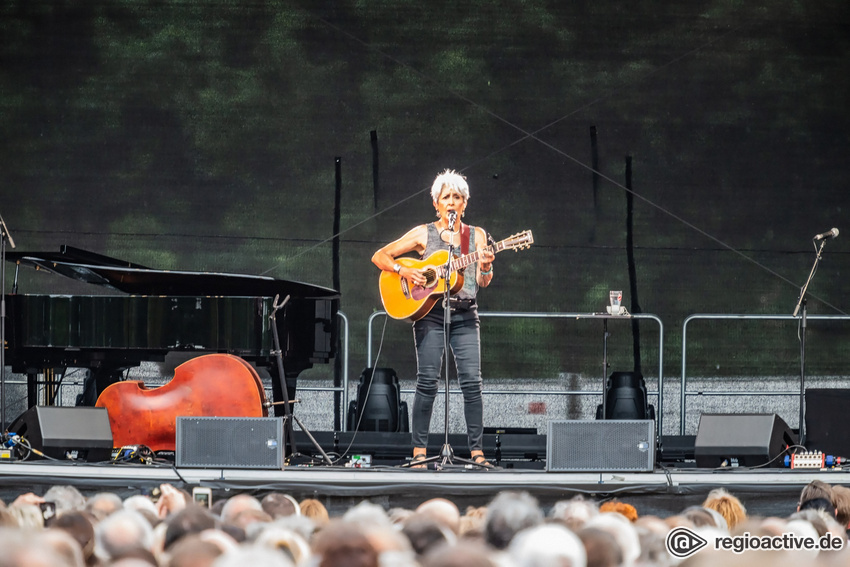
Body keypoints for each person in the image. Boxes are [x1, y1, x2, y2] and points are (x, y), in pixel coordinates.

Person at [372, 169, 495, 467]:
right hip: (430, 315)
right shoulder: (422, 233)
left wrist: (488, 266)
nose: (451, 202)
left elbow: (482, 282)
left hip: (465, 314)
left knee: (471, 383)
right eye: (446, 197)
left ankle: (477, 452)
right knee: (427, 382)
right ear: (436, 203)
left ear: (465, 203)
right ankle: (420, 453)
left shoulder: (475, 236)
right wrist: (405, 271)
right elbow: (380, 256)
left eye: (457, 197)